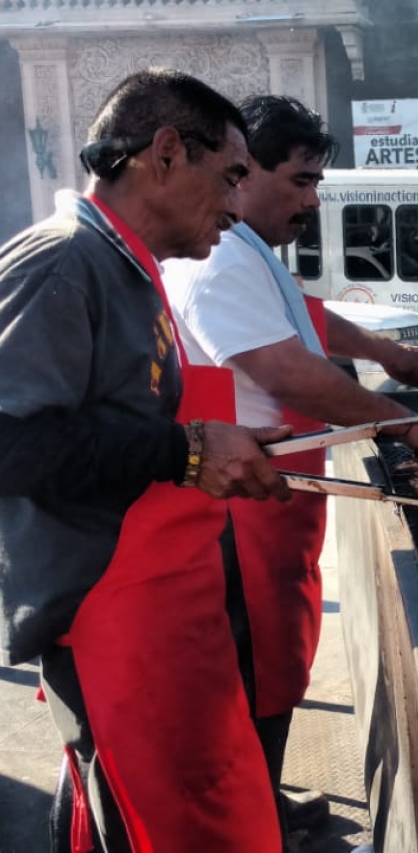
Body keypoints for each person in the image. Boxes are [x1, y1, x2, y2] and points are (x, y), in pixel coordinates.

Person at [161, 94, 418, 846]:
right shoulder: (218, 261)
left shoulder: (250, 253)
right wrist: (403, 421)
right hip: (241, 512)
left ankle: (265, 797)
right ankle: (256, 821)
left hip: (281, 504)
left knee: (277, 667)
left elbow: (304, 316)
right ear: (242, 172)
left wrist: (387, 352)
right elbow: (288, 370)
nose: (311, 200)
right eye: (299, 180)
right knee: (252, 677)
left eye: (316, 183)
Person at [0, 68, 293, 852]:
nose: (237, 207)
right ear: (165, 153)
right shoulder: (65, 262)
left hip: (168, 615)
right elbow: (12, 442)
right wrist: (185, 449)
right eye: (230, 176)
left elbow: (127, 424)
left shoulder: (134, 268)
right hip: (107, 622)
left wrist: (223, 447)